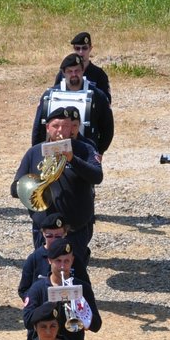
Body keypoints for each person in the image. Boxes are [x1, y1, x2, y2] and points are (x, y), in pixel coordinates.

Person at [13, 106, 103, 249]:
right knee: (44, 269)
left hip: (75, 229)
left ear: (72, 129)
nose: (60, 131)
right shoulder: (34, 152)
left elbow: (97, 177)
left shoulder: (84, 149)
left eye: (66, 126)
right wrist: (30, 187)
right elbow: (15, 188)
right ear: (48, 127)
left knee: (75, 270)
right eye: (56, 126)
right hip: (44, 231)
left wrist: (72, 159)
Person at [21, 236, 102, 340]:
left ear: (72, 260)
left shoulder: (81, 288)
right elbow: (27, 321)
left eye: (66, 261)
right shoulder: (38, 288)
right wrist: (50, 304)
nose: (63, 266)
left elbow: (96, 326)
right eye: (58, 261)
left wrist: (82, 311)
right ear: (49, 260)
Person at [34, 52, 114, 153]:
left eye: (77, 70)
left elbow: (107, 128)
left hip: (85, 152)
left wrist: (99, 152)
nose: (74, 74)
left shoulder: (98, 96)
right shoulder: (49, 95)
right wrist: (36, 153)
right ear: (63, 73)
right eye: (70, 71)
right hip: (54, 151)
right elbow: (38, 127)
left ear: (83, 70)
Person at [19, 213, 90, 300]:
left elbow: (86, 287)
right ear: (43, 234)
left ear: (65, 234)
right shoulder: (34, 258)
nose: (53, 240)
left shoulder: (72, 258)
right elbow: (23, 290)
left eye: (58, 236)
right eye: (49, 236)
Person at [56, 30, 111, 104]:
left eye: (84, 48)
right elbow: (55, 96)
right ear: (74, 49)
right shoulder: (64, 73)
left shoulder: (99, 74)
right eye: (77, 48)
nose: (81, 52)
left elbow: (106, 101)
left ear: (90, 48)